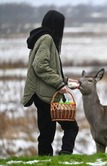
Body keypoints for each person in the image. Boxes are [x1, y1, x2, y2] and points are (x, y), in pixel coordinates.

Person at [22, 10, 79, 156]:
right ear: (56, 25)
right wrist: (59, 84)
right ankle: (64, 155)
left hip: (42, 95)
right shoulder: (47, 39)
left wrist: (65, 80)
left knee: (47, 134)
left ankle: (49, 160)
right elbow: (40, 65)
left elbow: (49, 67)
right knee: (70, 127)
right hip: (45, 95)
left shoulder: (42, 38)